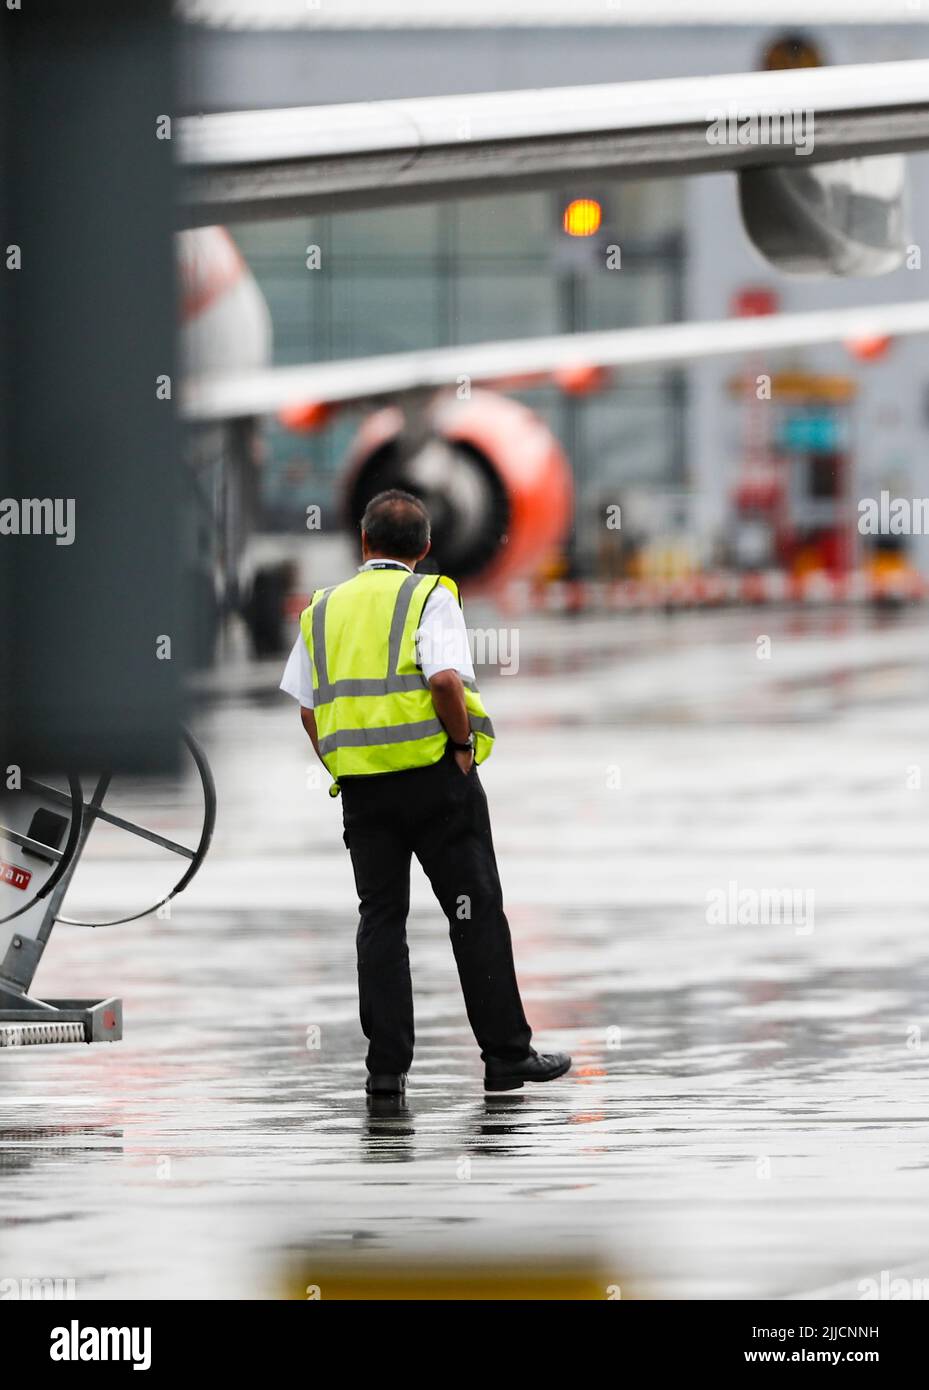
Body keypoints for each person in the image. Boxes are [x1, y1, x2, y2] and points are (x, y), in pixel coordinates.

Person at [280, 489, 571, 1097]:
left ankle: (386, 1070)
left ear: (363, 543)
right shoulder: (429, 595)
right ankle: (505, 1056)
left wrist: (340, 763)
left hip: (363, 791)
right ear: (427, 548)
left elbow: (308, 710)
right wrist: (462, 749)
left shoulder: (322, 608)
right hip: (435, 782)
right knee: (475, 914)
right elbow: (442, 680)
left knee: (381, 921)